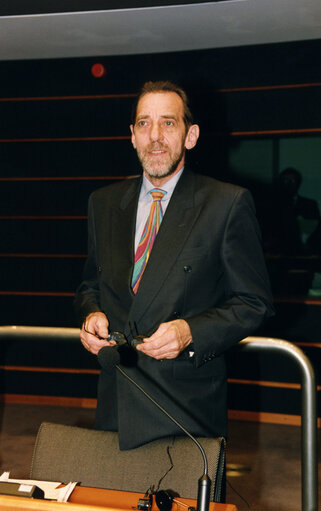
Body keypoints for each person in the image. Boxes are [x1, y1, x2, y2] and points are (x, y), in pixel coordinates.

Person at [74, 80, 274, 451]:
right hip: (116, 399)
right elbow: (90, 286)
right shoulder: (103, 203)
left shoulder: (226, 204)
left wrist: (190, 332)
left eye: (168, 123)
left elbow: (254, 303)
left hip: (186, 407)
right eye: (144, 124)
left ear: (190, 135)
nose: (155, 137)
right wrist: (90, 316)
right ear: (132, 136)